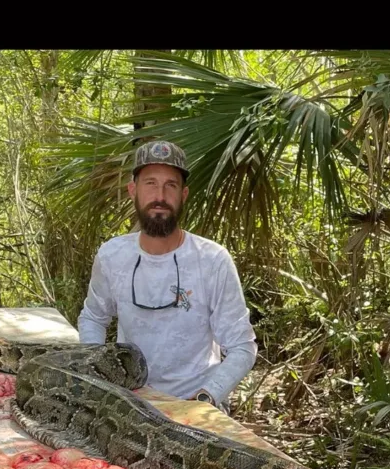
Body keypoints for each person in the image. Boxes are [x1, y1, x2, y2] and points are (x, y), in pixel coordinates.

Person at [77, 140, 257, 412]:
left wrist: (206, 398)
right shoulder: (112, 256)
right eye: (150, 183)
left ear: (183, 194)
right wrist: (99, 377)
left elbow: (242, 347)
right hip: (129, 403)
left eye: (170, 185)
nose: (159, 195)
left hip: (198, 405)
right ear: (132, 190)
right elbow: (93, 317)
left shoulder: (212, 260)